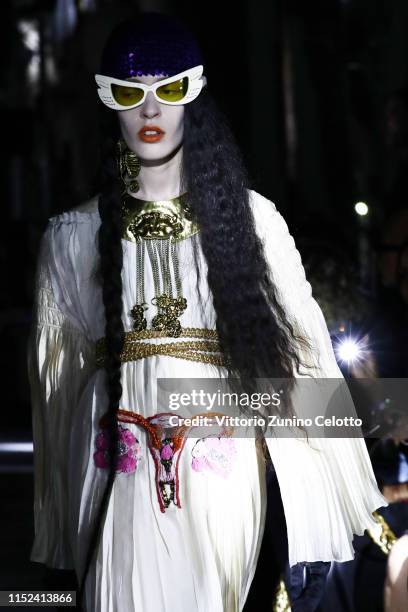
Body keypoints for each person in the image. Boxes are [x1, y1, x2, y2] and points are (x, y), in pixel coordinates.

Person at [27, 12, 388, 612]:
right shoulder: (69, 238)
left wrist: (361, 438)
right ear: (106, 101)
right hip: (113, 455)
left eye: (168, 90)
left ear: (194, 92)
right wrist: (61, 509)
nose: (149, 110)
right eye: (128, 92)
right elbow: (56, 393)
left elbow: (304, 354)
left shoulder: (254, 222)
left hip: (220, 459)